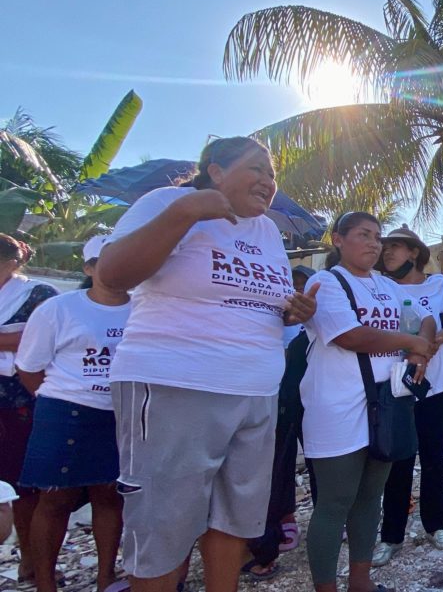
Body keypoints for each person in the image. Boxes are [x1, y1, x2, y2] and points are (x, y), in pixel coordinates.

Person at [95, 136, 319, 592]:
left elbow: (255, 303)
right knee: (164, 523)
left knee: (236, 519)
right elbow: (113, 276)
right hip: (174, 384)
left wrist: (291, 310)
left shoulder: (267, 232)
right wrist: (188, 211)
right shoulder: (166, 202)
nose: (268, 181)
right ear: (215, 170)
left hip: (255, 392)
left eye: (272, 174)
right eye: (257, 168)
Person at [299, 212, 436, 592]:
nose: (374, 244)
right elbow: (350, 336)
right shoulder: (325, 282)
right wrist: (410, 343)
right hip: (338, 406)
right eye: (364, 235)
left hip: (386, 405)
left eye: (378, 237)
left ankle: (362, 582)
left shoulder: (385, 284)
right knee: (334, 502)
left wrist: (420, 352)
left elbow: (425, 319)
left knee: (370, 498)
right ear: (338, 240)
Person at [15, 236, 130, 592]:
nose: (114, 269)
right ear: (89, 268)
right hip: (64, 412)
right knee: (54, 499)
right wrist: (63, 398)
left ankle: (106, 577)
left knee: (110, 496)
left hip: (121, 415)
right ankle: (46, 583)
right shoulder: (59, 309)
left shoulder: (146, 309)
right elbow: (29, 366)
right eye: (103, 261)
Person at [373, 225, 443, 566]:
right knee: (397, 459)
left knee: (433, 457)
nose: (387, 253)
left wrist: (437, 340)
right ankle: (391, 535)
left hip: (439, 383)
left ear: (414, 252)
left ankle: (436, 525)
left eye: (395, 247)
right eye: (385, 247)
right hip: (396, 385)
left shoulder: (439, 283)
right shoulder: (378, 285)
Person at [244, 264, 319, 579]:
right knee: (270, 470)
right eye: (293, 285)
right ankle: (266, 540)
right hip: (270, 399)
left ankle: (290, 524)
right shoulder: (271, 317)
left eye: (303, 285)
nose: (297, 291)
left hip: (305, 401)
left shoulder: (313, 319)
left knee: (307, 461)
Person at [0, 234, 59, 585]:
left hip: (23, 398)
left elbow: (37, 337)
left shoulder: (38, 294)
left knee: (25, 486)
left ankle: (33, 560)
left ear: (12, 262)